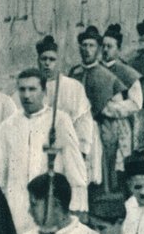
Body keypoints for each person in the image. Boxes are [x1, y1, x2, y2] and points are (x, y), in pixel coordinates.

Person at [0, 68, 88, 233]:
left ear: (44, 91)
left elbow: (75, 166)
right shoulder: (8, 125)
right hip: (15, 207)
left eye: (32, 89)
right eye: (22, 89)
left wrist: (77, 206)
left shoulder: (60, 120)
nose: (26, 95)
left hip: (49, 204)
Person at [69, 26, 130, 190]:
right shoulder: (74, 73)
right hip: (75, 129)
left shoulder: (108, 76)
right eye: (84, 45)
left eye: (92, 46)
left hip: (102, 130)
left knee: (99, 172)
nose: (87, 50)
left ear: (98, 49)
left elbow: (118, 108)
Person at [35, 35, 99, 185]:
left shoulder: (73, 87)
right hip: (39, 155)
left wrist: (82, 150)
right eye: (44, 59)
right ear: (38, 60)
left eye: (52, 60)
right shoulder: (31, 88)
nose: (47, 64)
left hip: (67, 153)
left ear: (58, 61)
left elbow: (84, 120)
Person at [101, 22, 144, 154]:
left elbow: (136, 103)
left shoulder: (127, 72)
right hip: (98, 125)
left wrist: (109, 109)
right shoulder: (95, 70)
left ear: (118, 49)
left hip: (120, 125)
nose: (105, 50)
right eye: (103, 46)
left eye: (109, 46)